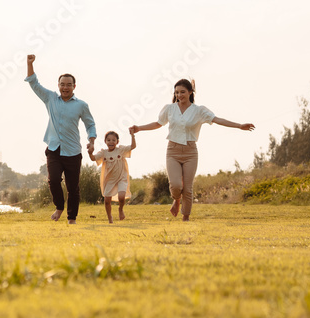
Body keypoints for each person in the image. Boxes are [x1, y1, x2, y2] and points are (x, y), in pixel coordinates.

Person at [129, 79, 254, 221]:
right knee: (176, 185)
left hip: (190, 152)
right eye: (176, 92)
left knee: (187, 188)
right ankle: (176, 199)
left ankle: (186, 217)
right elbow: (158, 124)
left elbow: (218, 120)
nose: (179, 95)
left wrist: (239, 126)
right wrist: (139, 128)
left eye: (182, 92)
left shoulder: (199, 110)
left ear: (190, 92)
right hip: (173, 151)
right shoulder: (169, 109)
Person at [25, 54, 97, 224]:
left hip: (73, 151)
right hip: (54, 149)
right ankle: (59, 207)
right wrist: (29, 64)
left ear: (74, 86)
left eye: (68, 85)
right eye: (62, 84)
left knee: (73, 188)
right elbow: (34, 83)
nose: (65, 87)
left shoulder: (81, 105)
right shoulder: (50, 98)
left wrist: (92, 140)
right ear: (58, 86)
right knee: (54, 180)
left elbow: (90, 124)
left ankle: (72, 218)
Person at [89, 130, 135, 223]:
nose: (111, 142)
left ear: (117, 141)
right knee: (107, 200)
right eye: (108, 140)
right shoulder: (103, 153)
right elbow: (93, 158)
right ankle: (110, 217)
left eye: (114, 140)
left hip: (121, 178)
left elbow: (133, 146)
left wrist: (132, 135)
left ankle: (120, 209)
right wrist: (90, 152)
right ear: (105, 141)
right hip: (109, 180)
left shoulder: (120, 150)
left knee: (121, 197)